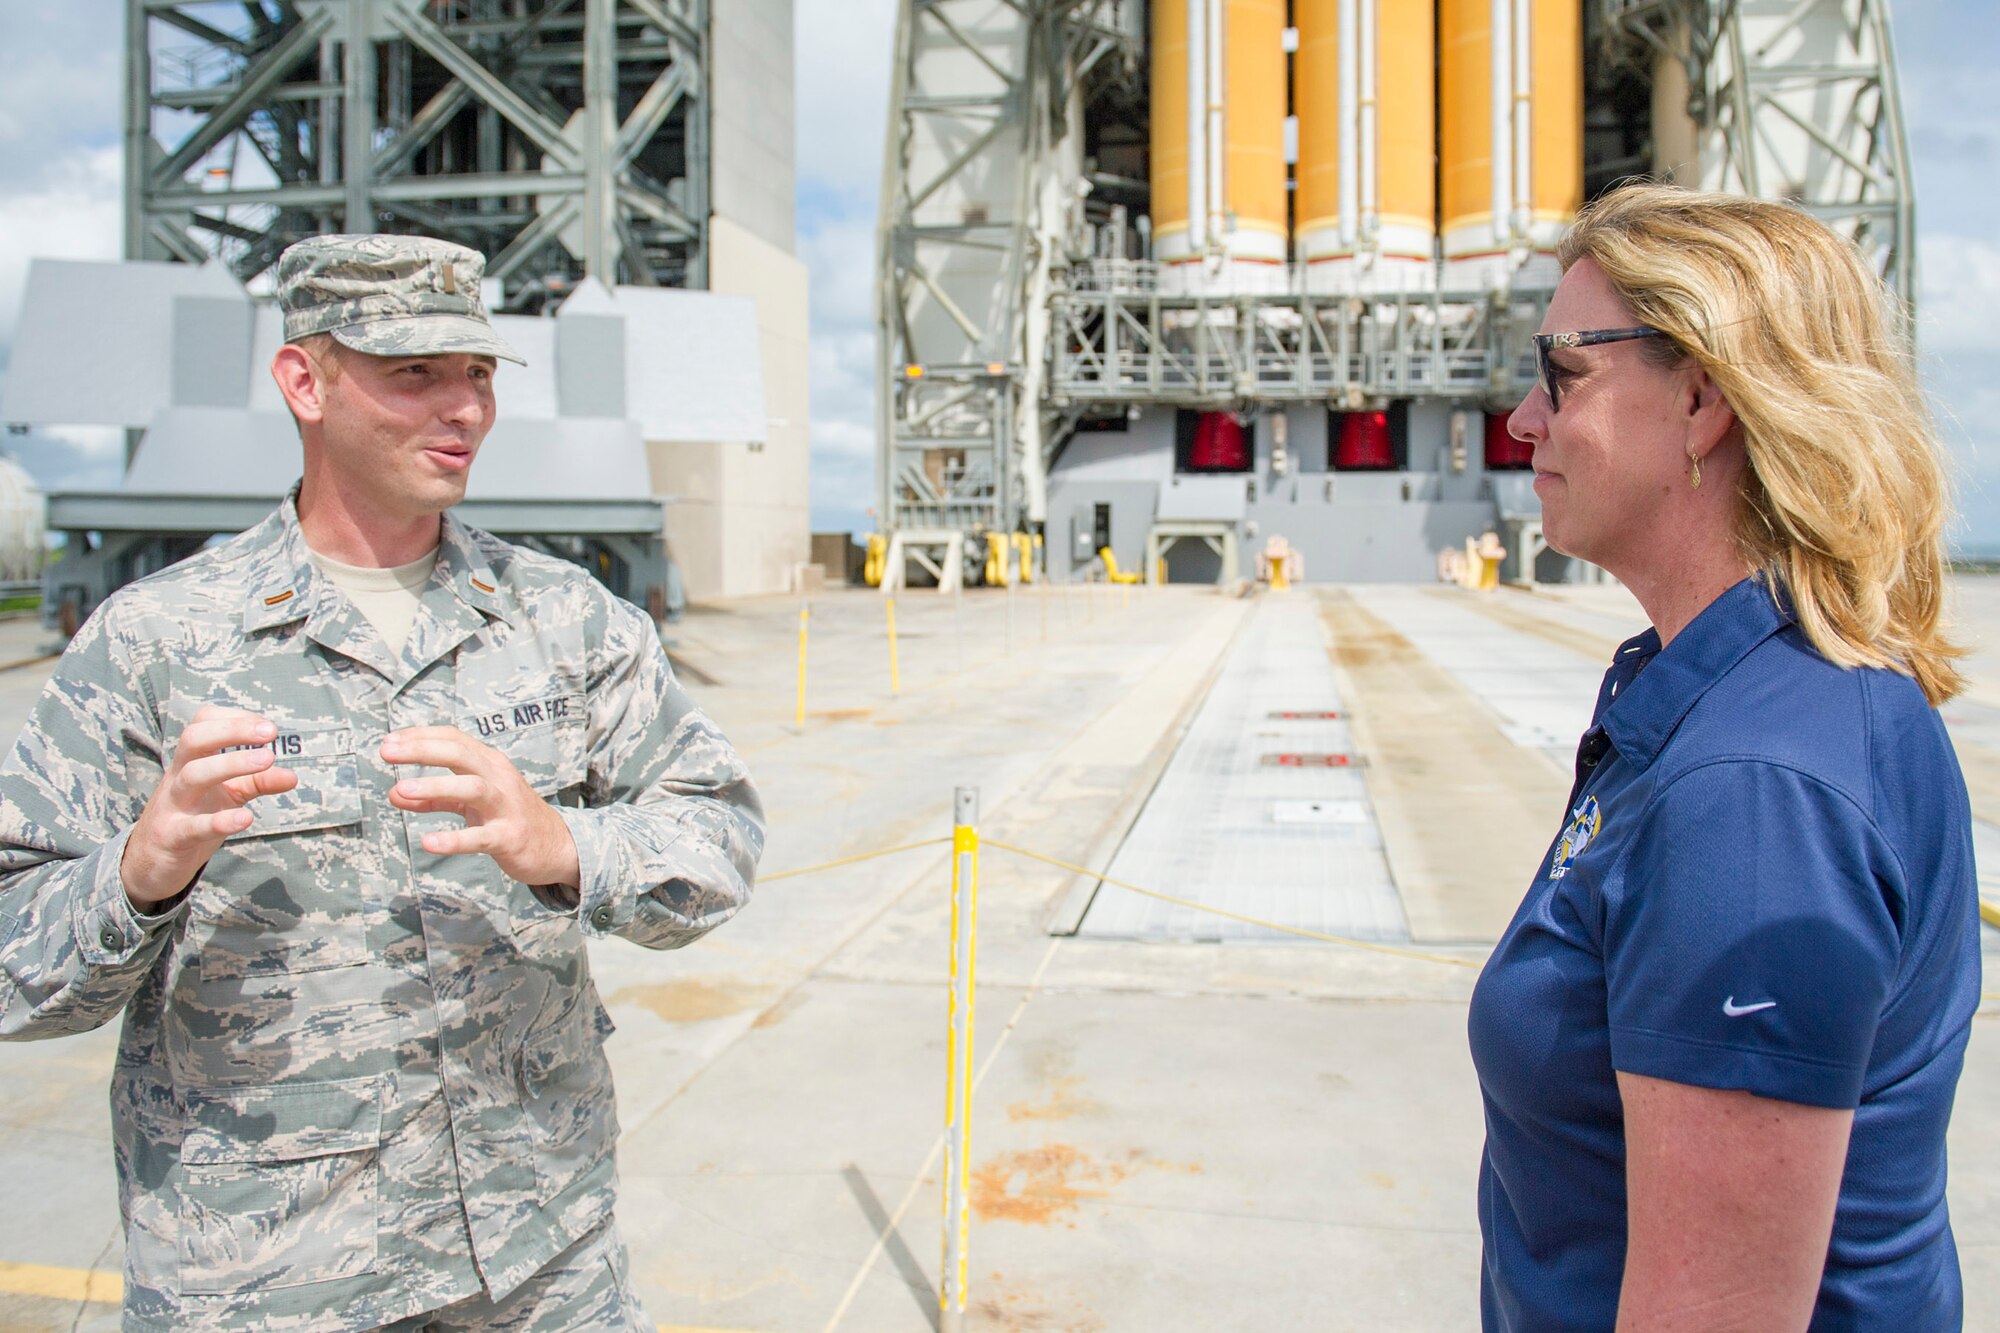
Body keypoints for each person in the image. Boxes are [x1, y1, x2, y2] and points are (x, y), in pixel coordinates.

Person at [0, 234, 764, 1331]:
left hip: (537, 1257)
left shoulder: (569, 621)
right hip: (267, 1279)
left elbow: (718, 836)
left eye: (480, 374)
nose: (464, 409)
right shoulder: (154, 642)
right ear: (303, 381)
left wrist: (567, 848)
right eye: (416, 373)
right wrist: (140, 871)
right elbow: (10, 955)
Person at [1468, 184, 1980, 1330]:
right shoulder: (1745, 694)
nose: (1521, 417)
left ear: (1700, 396)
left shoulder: (1752, 796)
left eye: (1563, 371)